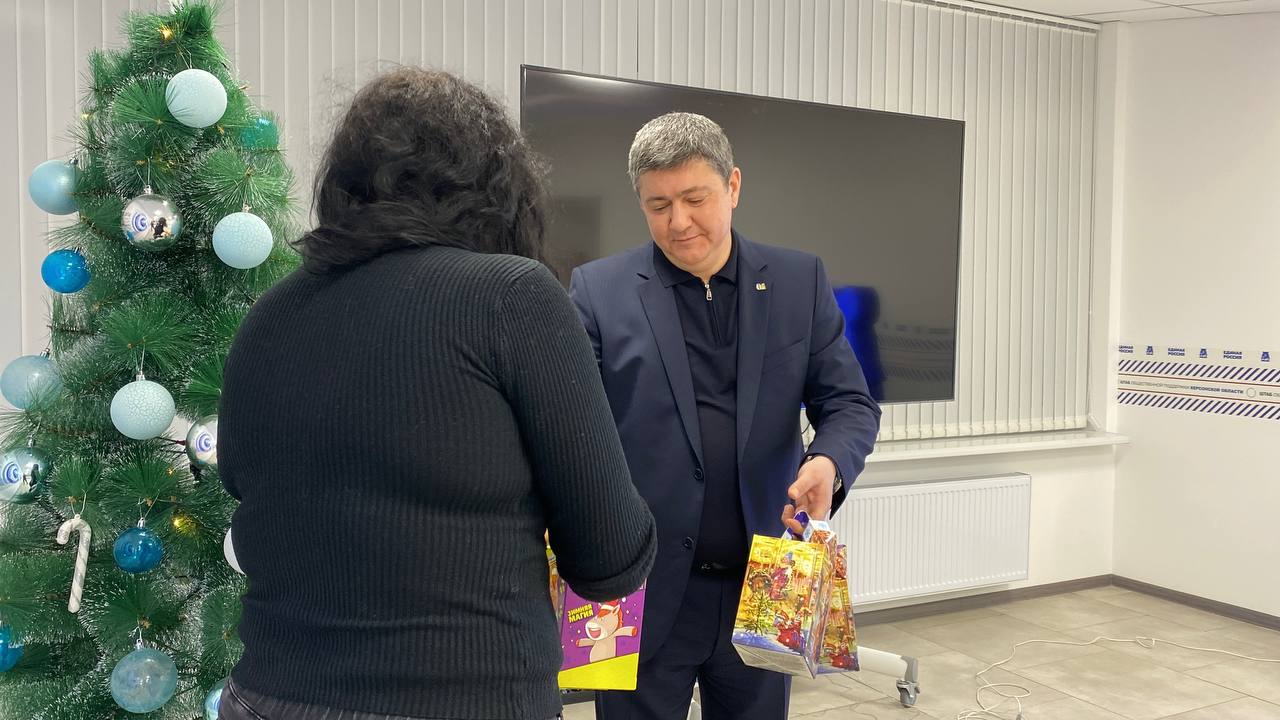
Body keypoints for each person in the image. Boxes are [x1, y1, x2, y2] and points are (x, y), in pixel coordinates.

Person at [217, 68, 657, 720]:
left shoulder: (271, 312)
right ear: (499, 185)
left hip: (266, 695)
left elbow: (242, 483)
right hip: (463, 695)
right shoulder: (513, 298)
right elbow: (610, 560)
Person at [569, 112, 880, 719]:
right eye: (659, 205)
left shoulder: (798, 281)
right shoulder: (597, 291)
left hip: (763, 585)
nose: (678, 222)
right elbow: (570, 429)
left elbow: (848, 402)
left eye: (695, 199)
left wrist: (827, 462)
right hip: (633, 588)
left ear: (733, 186)